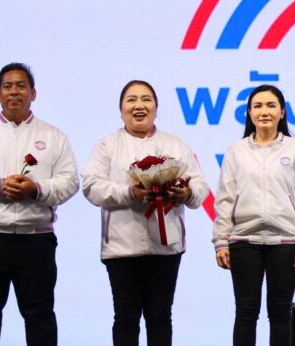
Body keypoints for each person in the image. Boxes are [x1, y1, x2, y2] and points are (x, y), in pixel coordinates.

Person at [0, 62, 79, 346]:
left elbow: (70, 182)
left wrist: (37, 190)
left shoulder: (53, 136)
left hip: (36, 240)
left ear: (33, 93)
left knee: (40, 316)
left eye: (21, 86)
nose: (14, 92)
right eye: (7, 86)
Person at [82, 80, 209, 346]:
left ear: (156, 107)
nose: (139, 105)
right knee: (126, 318)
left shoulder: (176, 145)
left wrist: (185, 193)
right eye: (131, 100)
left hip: (166, 248)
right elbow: (91, 187)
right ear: (121, 109)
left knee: (160, 317)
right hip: (121, 247)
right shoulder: (107, 145)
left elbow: (200, 186)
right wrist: (130, 193)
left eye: (146, 99)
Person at [213, 84, 295, 346]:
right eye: (258, 106)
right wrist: (220, 241)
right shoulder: (236, 151)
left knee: (281, 314)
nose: (264, 111)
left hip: (285, 242)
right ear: (249, 113)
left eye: (271, 105)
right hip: (242, 241)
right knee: (246, 313)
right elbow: (225, 199)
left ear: (282, 112)